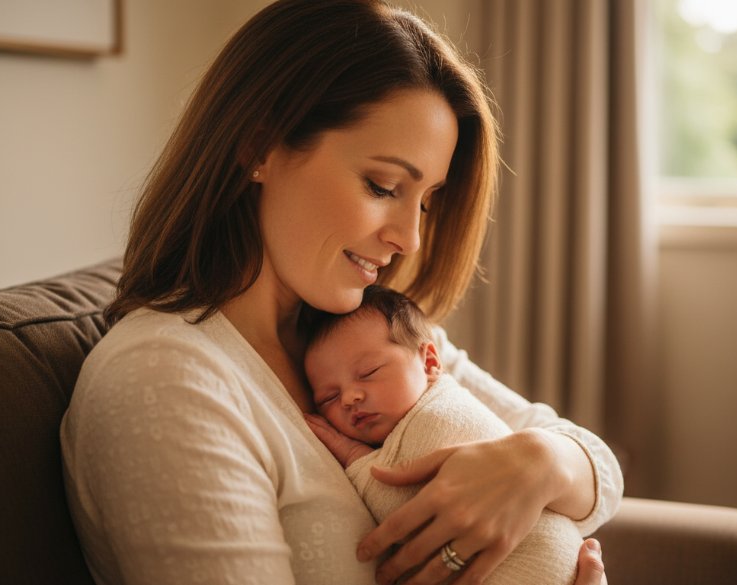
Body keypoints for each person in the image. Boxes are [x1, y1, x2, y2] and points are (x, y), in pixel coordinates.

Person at [59, 1, 622, 584]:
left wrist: (538, 462)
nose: (409, 238)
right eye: (383, 186)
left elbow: (598, 469)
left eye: (425, 201)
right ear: (258, 149)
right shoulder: (168, 378)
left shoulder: (369, 340)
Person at [301, 284, 584, 585]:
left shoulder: (439, 415)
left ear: (430, 362)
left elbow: (408, 512)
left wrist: (356, 459)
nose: (349, 398)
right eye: (328, 398)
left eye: (369, 372)